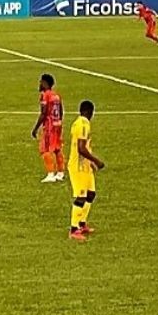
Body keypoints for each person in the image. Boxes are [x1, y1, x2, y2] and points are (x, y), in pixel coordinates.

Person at [67, 100, 105, 241]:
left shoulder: (80, 123)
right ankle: (73, 229)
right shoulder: (83, 124)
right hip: (78, 167)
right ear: (90, 112)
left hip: (85, 166)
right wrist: (96, 160)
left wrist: (91, 163)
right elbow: (81, 149)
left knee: (91, 194)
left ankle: (82, 224)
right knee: (81, 197)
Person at [32, 73, 65, 183]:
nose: (39, 84)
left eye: (41, 82)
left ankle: (50, 174)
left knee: (45, 149)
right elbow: (61, 111)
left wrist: (36, 128)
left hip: (50, 126)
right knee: (57, 148)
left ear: (45, 83)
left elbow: (43, 113)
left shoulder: (45, 95)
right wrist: (59, 122)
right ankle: (60, 173)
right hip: (57, 124)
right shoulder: (57, 95)